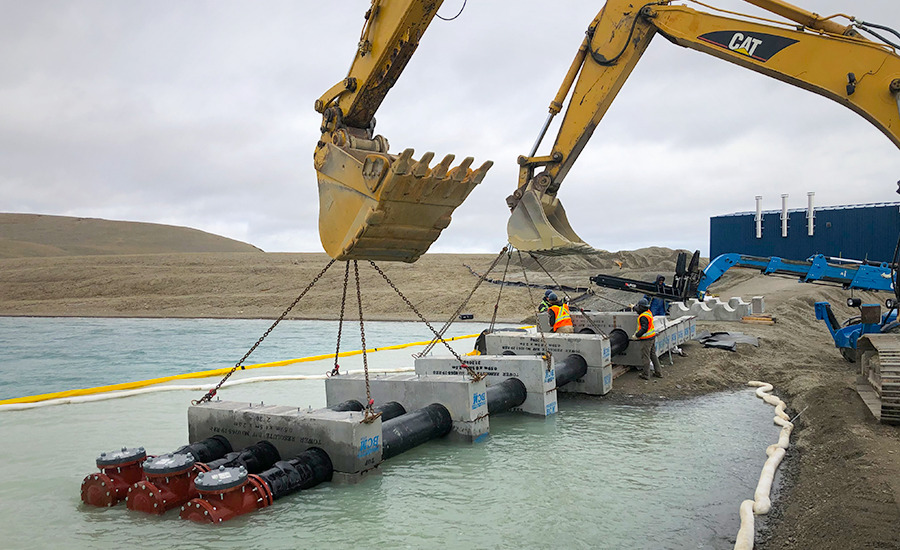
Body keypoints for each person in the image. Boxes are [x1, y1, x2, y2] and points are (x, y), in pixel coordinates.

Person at [633, 298, 662, 380]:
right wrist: (633, 307)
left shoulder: (643, 317)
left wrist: (637, 335)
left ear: (641, 307)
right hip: (652, 337)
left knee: (645, 357)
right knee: (653, 355)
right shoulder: (648, 312)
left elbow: (644, 328)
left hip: (646, 340)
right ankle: (658, 372)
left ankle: (646, 374)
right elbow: (639, 310)